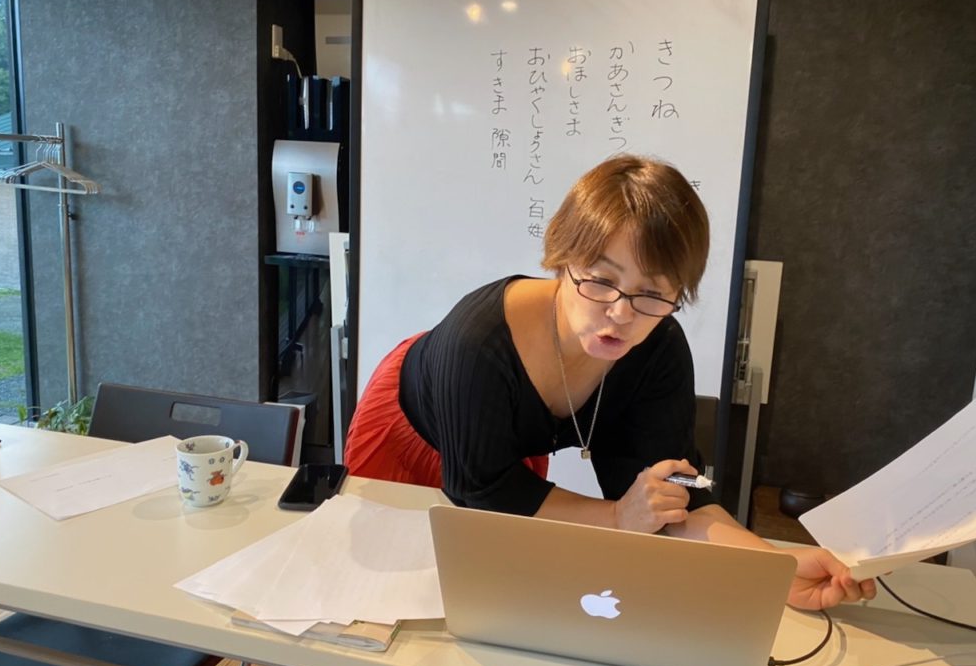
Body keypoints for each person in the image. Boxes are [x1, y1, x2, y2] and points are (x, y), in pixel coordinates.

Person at [345, 153, 876, 611]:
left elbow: (671, 500)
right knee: (380, 601)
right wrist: (619, 517)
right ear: (562, 260)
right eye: (601, 280)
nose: (622, 314)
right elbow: (483, 492)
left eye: (653, 293)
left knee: (486, 592)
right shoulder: (478, 343)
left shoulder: (658, 348)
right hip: (408, 432)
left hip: (497, 465)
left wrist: (777, 569)